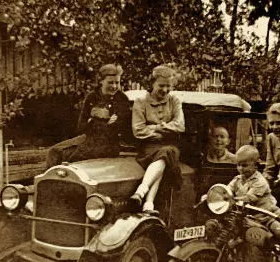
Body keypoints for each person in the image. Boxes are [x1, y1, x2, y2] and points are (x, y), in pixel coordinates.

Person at [45, 64, 131, 168]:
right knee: (53, 152)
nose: (114, 86)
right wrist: (101, 120)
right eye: (110, 82)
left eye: (117, 83)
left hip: (108, 145)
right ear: (101, 81)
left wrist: (96, 120)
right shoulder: (92, 97)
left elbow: (119, 128)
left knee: (67, 156)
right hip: (88, 139)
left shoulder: (122, 99)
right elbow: (80, 126)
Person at [130, 65, 185, 213]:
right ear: (152, 83)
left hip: (170, 145)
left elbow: (180, 126)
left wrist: (153, 127)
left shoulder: (174, 101)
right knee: (164, 158)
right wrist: (161, 129)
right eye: (161, 85)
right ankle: (148, 203)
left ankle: (141, 191)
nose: (165, 90)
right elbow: (138, 130)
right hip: (148, 147)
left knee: (166, 152)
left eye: (169, 86)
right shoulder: (141, 102)